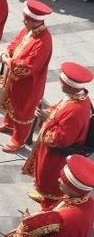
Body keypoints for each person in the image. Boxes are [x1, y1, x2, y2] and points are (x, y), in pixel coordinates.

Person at [23, 62, 93, 210]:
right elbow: (58, 108)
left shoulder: (76, 110)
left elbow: (61, 139)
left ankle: (47, 207)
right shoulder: (74, 97)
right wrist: (47, 113)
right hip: (52, 152)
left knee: (51, 182)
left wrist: (46, 120)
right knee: (44, 179)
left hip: (57, 156)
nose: (59, 82)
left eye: (62, 81)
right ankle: (44, 196)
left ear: (69, 86)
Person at [5, 154, 94, 237]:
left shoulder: (65, 217)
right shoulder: (88, 202)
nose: (58, 179)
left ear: (73, 187)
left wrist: (27, 225)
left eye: (63, 180)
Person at [0, 0, 53, 153]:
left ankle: (18, 140)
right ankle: (8, 125)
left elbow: (28, 67)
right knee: (11, 101)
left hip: (29, 84)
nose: (23, 21)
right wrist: (8, 51)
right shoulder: (28, 30)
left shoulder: (43, 41)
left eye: (27, 19)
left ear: (35, 21)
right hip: (15, 78)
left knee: (23, 110)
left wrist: (7, 60)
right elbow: (14, 43)